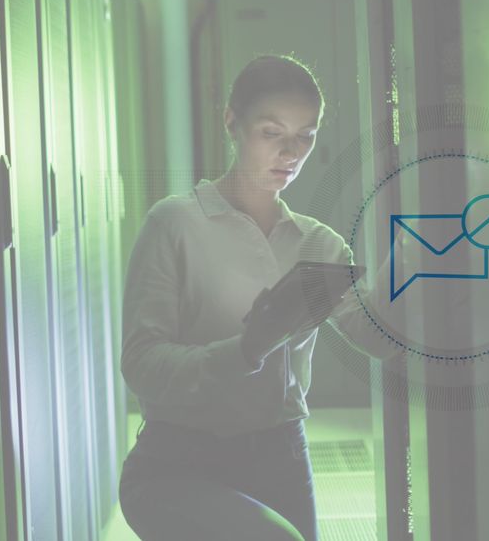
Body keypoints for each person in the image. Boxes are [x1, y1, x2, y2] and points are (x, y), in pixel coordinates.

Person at [117, 54, 397, 541]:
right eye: (272, 132)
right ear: (232, 122)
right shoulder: (174, 224)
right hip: (178, 461)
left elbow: (379, 338)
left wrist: (411, 246)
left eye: (306, 135)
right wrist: (247, 349)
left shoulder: (319, 244)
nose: (291, 152)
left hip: (280, 453)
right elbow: (141, 364)